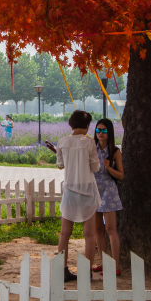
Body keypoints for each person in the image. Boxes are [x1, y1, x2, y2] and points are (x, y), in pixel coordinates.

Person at [48, 110, 100, 283]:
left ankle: (63, 271)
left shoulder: (62, 141)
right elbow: (96, 167)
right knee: (90, 234)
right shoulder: (90, 142)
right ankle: (87, 272)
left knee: (64, 233)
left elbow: (60, 165)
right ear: (87, 125)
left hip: (70, 190)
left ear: (71, 124)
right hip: (87, 190)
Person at [90, 118, 124, 276]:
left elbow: (121, 175)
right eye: (98, 130)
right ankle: (103, 262)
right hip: (93, 191)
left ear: (109, 132)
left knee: (111, 230)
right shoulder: (91, 148)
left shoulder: (115, 152)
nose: (101, 133)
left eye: (104, 130)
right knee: (98, 229)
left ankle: (116, 265)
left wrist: (109, 167)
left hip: (108, 192)